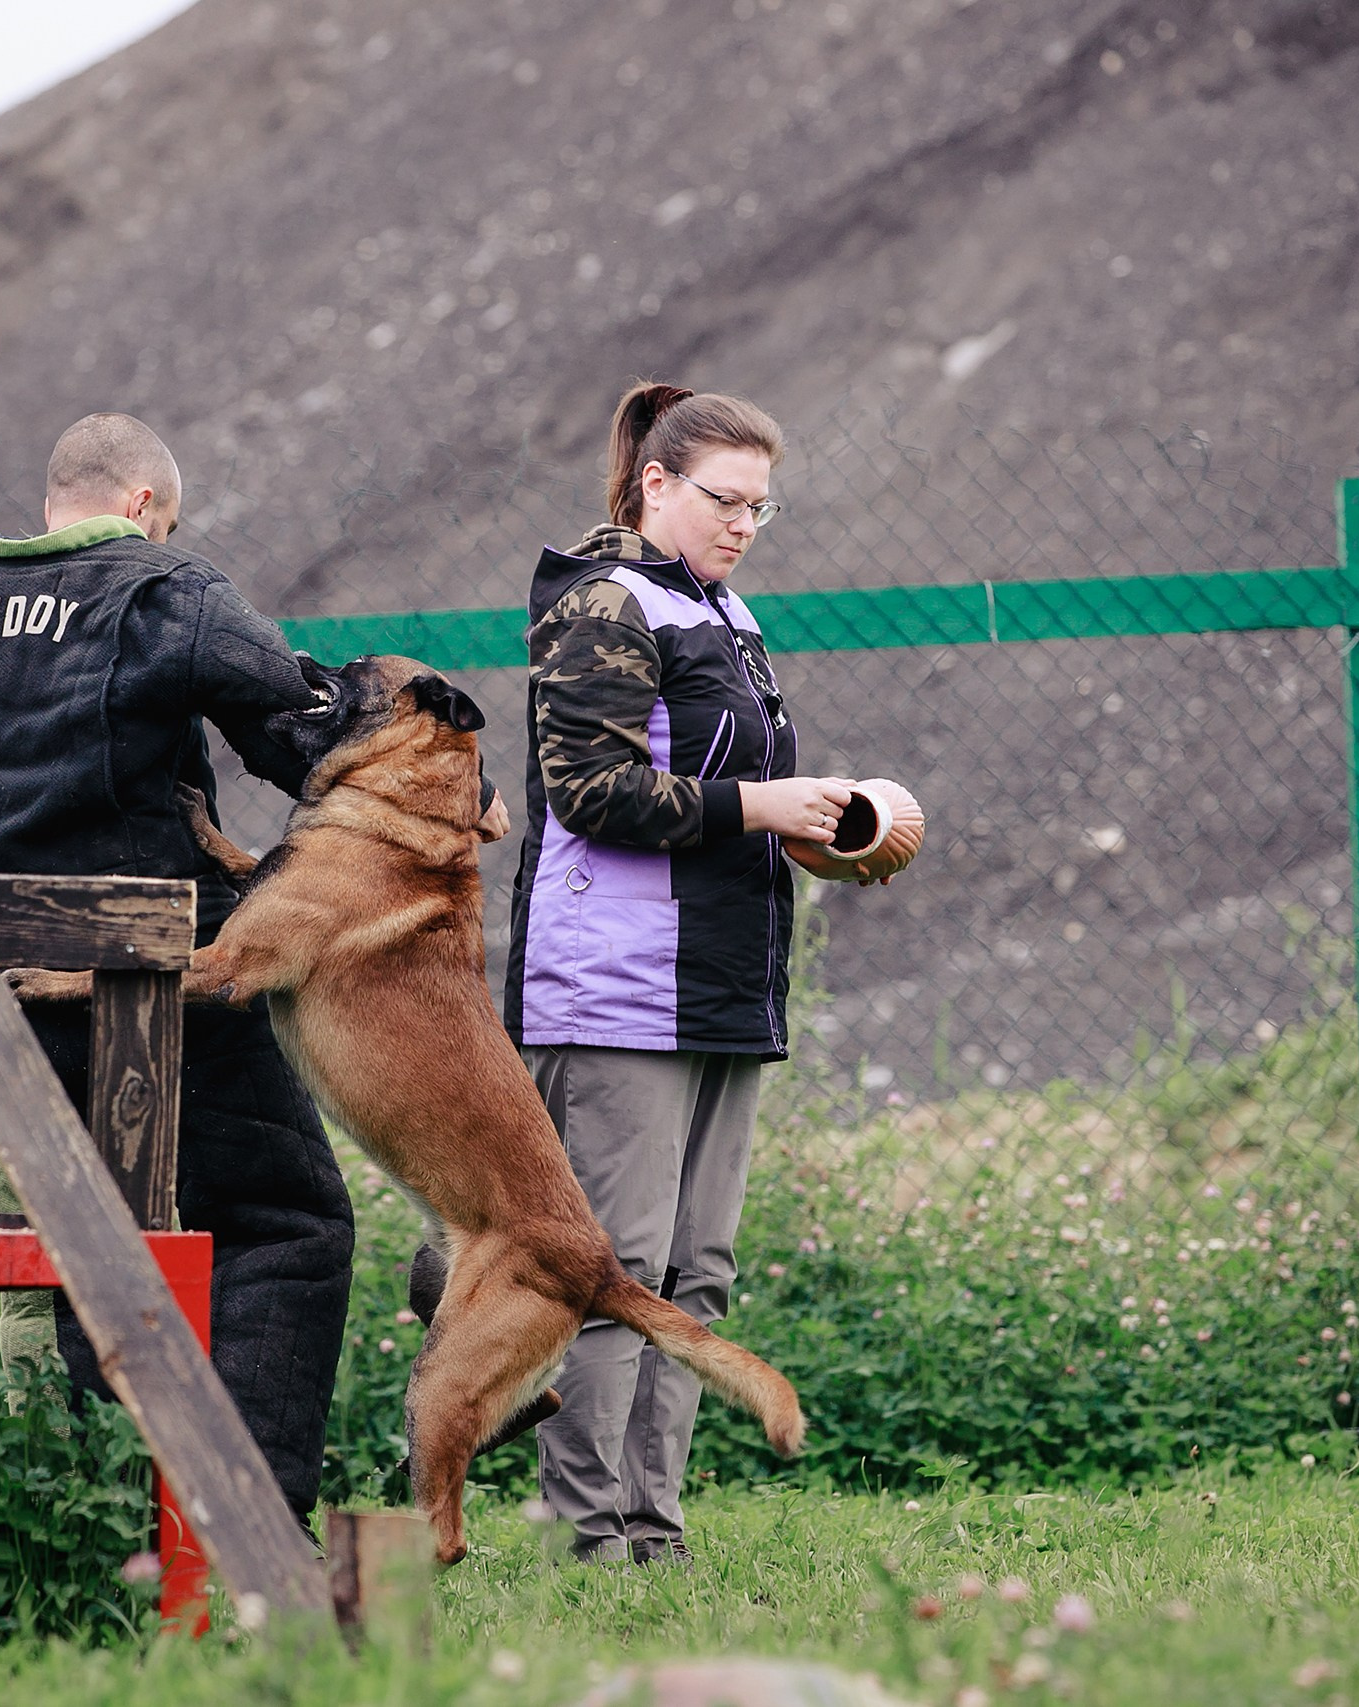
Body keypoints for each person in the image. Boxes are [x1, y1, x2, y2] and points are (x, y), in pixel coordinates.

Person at [0, 412, 359, 1523]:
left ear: (56, 499)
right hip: (158, 986)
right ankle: (247, 1529)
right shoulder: (161, 589)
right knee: (288, 1225)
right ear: (143, 506)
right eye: (168, 520)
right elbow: (299, 734)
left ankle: (103, 1525)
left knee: (96, 1234)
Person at [503, 383, 851, 1565]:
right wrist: (755, 803)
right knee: (617, 1272)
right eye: (724, 499)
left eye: (761, 506)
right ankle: (582, 1536)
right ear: (654, 484)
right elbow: (589, 792)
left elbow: (712, 795)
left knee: (695, 1273)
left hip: (719, 983)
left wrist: (810, 827)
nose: (745, 523)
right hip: (612, 994)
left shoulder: (729, 614)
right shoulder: (604, 605)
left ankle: (653, 1531)